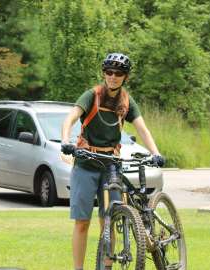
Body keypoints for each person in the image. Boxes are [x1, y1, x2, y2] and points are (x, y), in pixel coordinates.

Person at [61, 52, 164, 270]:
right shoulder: (92, 95)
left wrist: (155, 152)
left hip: (111, 165)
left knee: (110, 219)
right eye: (109, 72)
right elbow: (70, 118)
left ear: (125, 77)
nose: (113, 76)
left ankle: (106, 266)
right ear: (104, 73)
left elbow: (142, 129)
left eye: (118, 73)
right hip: (86, 163)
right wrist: (65, 140)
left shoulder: (126, 101)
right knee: (82, 222)